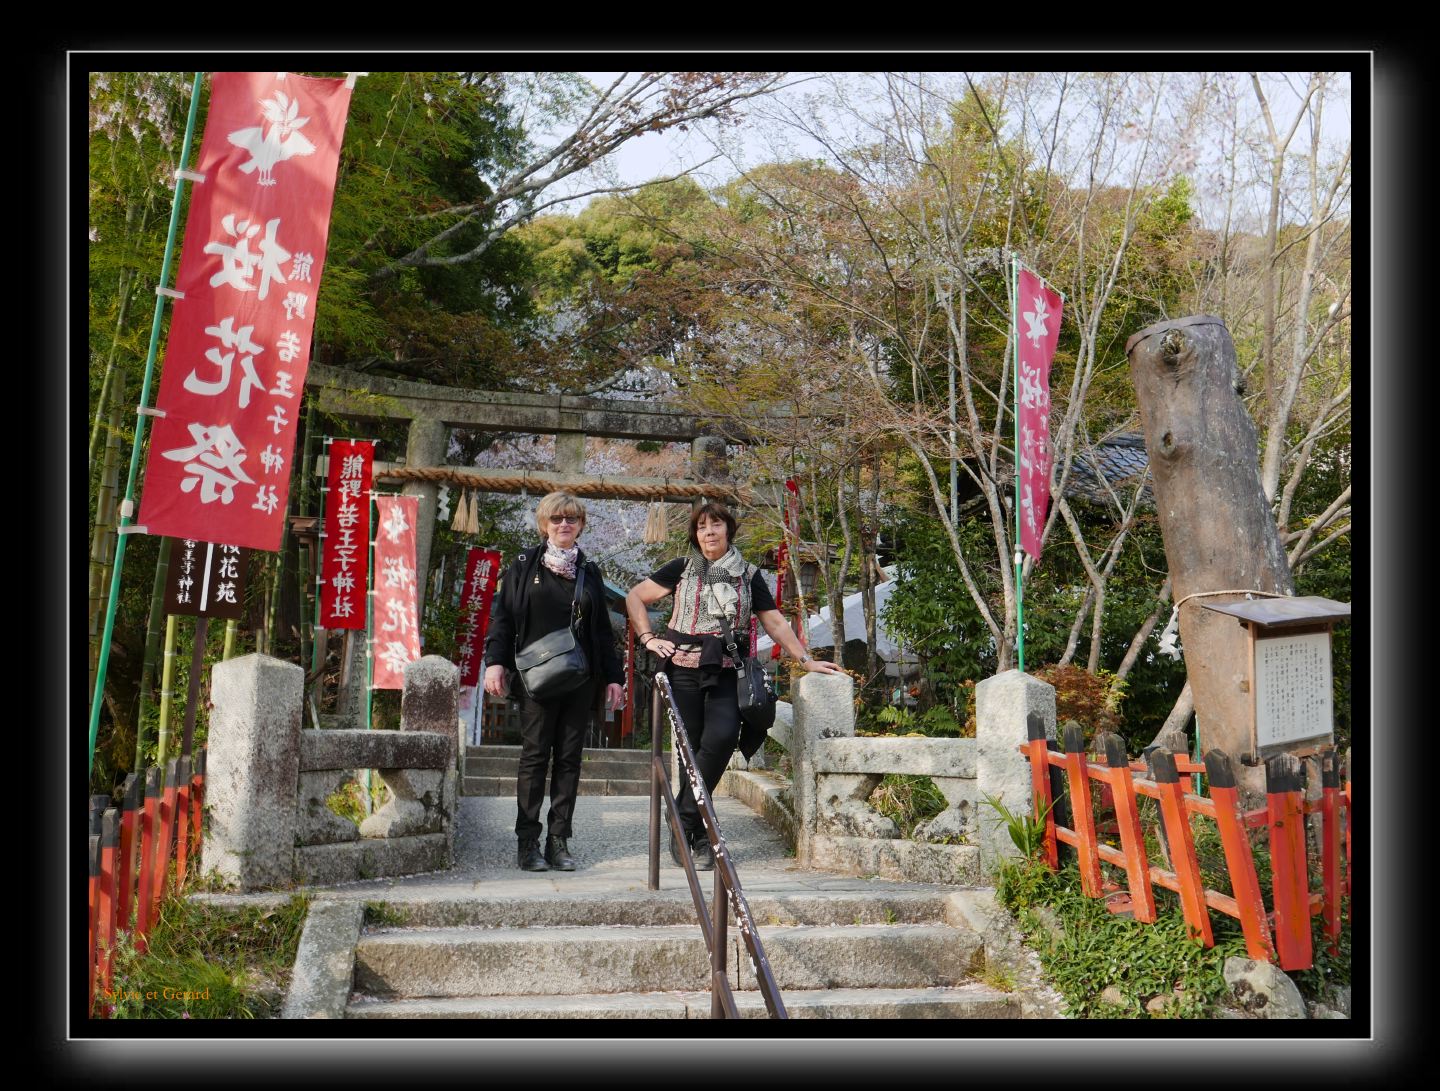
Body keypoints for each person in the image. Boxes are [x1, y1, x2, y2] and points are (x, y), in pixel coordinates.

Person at [626, 500, 842, 870]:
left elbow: (773, 621)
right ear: (696, 534)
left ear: (729, 530)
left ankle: (683, 817)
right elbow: (636, 596)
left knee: (724, 737)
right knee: (691, 749)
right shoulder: (681, 568)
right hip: (683, 668)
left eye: (716, 525)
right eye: (702, 527)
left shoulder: (749, 574)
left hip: (728, 669)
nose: (709, 532)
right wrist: (647, 638)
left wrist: (805, 659)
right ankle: (695, 835)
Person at [484, 492, 625, 872]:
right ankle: (527, 841)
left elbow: (601, 632)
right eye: (557, 519)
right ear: (544, 524)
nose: (565, 525)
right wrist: (494, 662)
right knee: (534, 757)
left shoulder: (589, 571)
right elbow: (504, 620)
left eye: (572, 519)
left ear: (581, 525)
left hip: (581, 679)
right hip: (537, 678)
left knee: (569, 759)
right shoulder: (523, 565)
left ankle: (558, 841)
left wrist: (614, 678)